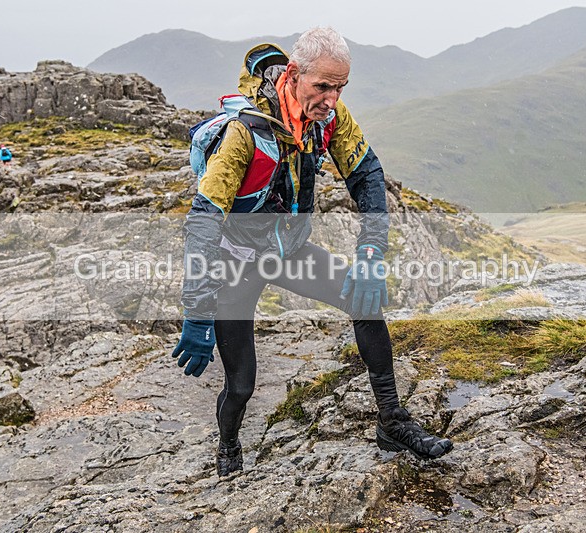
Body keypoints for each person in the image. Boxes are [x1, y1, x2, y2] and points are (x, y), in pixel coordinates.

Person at [172, 27, 453, 478]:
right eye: (323, 86)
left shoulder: (329, 118)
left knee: (365, 298)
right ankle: (228, 452)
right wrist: (198, 310)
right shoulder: (244, 132)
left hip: (289, 250)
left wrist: (370, 253)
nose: (332, 98)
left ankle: (392, 422)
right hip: (236, 262)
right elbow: (204, 218)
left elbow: (367, 173)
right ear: (294, 74)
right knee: (241, 385)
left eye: (341, 87)